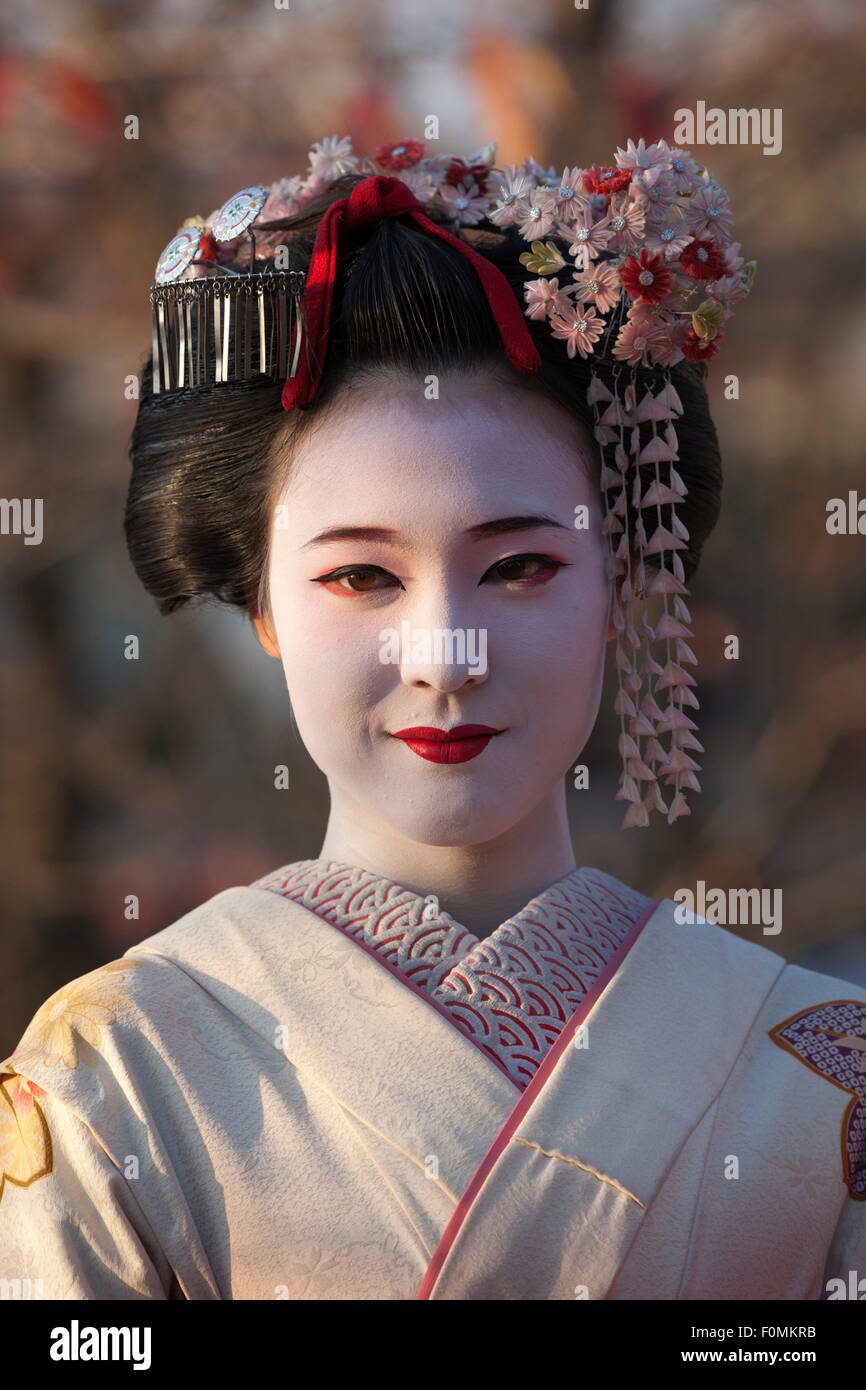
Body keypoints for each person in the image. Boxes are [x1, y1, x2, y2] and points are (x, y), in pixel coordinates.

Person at [1, 136, 863, 1301]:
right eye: (361, 577)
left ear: (623, 581)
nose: (446, 658)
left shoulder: (819, 1072)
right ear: (257, 601)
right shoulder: (116, 1073)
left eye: (517, 568)